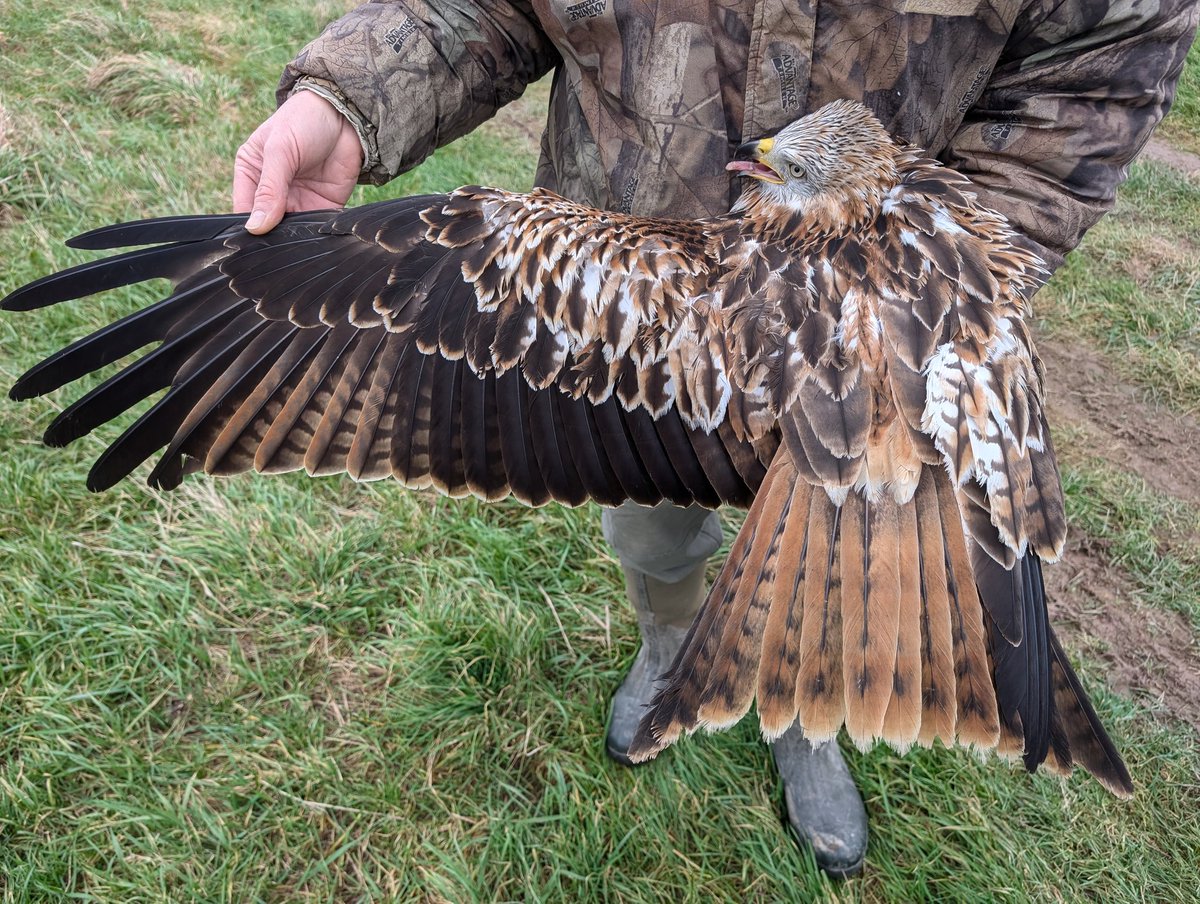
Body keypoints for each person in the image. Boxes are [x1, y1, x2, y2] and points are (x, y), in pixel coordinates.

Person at [232, 0, 1198, 879]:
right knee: (651, 534)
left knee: (835, 583)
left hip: (901, 363)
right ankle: (671, 648)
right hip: (640, 306)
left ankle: (807, 707)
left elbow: (1099, 67)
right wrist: (347, 96)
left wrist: (937, 285)